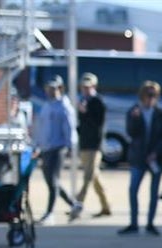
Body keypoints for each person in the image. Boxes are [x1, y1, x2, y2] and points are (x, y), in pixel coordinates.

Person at [121, 80, 162, 236]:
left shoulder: (160, 114)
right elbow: (131, 133)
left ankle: (150, 223)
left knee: (154, 192)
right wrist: (135, 119)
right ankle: (133, 223)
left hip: (155, 158)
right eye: (149, 95)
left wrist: (156, 152)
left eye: (154, 95)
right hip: (138, 157)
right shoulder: (134, 111)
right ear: (142, 95)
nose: (151, 98)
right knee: (133, 190)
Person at [32, 78, 83, 225]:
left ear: (60, 89)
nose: (50, 91)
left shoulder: (64, 107)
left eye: (53, 88)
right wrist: (37, 145)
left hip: (58, 148)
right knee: (51, 181)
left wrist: (69, 147)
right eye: (48, 88)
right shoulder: (47, 105)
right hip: (46, 148)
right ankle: (74, 204)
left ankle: (50, 213)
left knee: (53, 180)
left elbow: (69, 129)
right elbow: (41, 127)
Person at [75, 72, 112, 218]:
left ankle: (77, 204)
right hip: (84, 144)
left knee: (88, 177)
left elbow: (98, 124)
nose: (85, 89)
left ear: (94, 86)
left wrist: (86, 112)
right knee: (95, 178)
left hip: (94, 146)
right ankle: (106, 206)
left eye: (88, 87)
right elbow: (81, 124)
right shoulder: (82, 101)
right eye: (83, 87)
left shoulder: (98, 102)